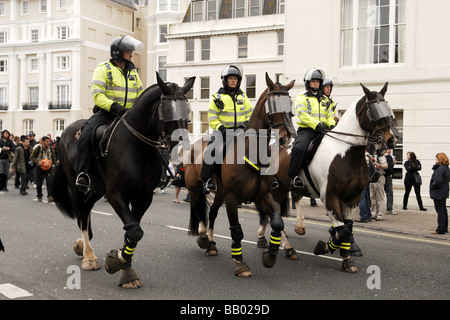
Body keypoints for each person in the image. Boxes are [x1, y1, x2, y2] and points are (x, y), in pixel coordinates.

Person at [75, 35, 144, 192]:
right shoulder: (103, 69)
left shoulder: (133, 72)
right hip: (107, 114)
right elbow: (98, 95)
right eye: (128, 51)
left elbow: (140, 94)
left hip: (129, 115)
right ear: (117, 53)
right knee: (85, 136)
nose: (131, 55)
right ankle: (82, 174)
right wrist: (115, 107)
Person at [200, 64, 253, 194]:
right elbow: (212, 117)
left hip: (241, 131)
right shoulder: (216, 97)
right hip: (222, 132)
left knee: (259, 148)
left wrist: (245, 124)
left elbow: (250, 114)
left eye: (235, 78)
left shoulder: (243, 97)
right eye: (230, 78)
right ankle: (207, 180)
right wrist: (220, 127)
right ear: (225, 80)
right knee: (211, 151)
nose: (233, 80)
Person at [288, 69, 336, 189]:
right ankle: (293, 177)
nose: (316, 84)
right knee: (299, 148)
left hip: (324, 131)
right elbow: (302, 114)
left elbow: (330, 115)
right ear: (308, 83)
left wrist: (331, 125)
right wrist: (316, 124)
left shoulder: (326, 100)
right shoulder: (301, 97)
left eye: (318, 82)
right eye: (313, 81)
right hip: (308, 130)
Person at [30, 136, 57, 202]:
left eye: (49, 141)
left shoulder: (51, 148)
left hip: (48, 168)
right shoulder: (38, 148)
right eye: (47, 141)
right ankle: (39, 196)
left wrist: (55, 166)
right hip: (40, 167)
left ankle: (50, 196)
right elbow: (32, 157)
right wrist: (37, 162)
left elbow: (54, 158)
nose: (48, 143)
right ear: (43, 142)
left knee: (49, 182)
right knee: (39, 183)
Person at [429, 153, 449, 234]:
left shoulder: (440, 169)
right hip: (443, 191)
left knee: (440, 210)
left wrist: (432, 186)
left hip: (438, 192)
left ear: (440, 159)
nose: (436, 160)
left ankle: (440, 229)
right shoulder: (446, 168)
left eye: (436, 159)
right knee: (443, 209)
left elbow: (438, 181)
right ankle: (444, 228)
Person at [369, 153, 388, 221]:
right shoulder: (370, 156)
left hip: (379, 177)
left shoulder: (381, 156)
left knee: (379, 197)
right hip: (372, 178)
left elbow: (386, 166)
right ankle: (374, 213)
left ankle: (380, 214)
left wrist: (379, 165)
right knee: (372, 196)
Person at [384, 149, 397, 214]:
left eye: (389, 152)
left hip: (387, 177)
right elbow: (389, 169)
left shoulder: (390, 158)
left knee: (389, 193)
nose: (388, 153)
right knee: (388, 194)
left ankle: (389, 208)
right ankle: (389, 209)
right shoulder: (388, 158)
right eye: (387, 152)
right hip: (385, 177)